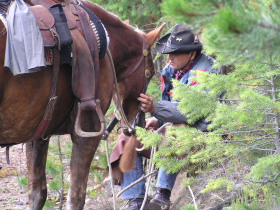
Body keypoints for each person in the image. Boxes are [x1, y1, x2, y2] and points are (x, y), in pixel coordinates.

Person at [110, 24, 220, 210]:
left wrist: (155, 108)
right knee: (130, 136)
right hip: (176, 127)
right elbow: (167, 103)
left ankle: (162, 195)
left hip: (205, 134)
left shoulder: (207, 71)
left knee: (174, 132)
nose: (169, 57)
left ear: (192, 54)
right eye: (169, 52)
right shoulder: (171, 70)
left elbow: (192, 112)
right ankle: (136, 201)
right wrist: (157, 119)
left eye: (175, 53)